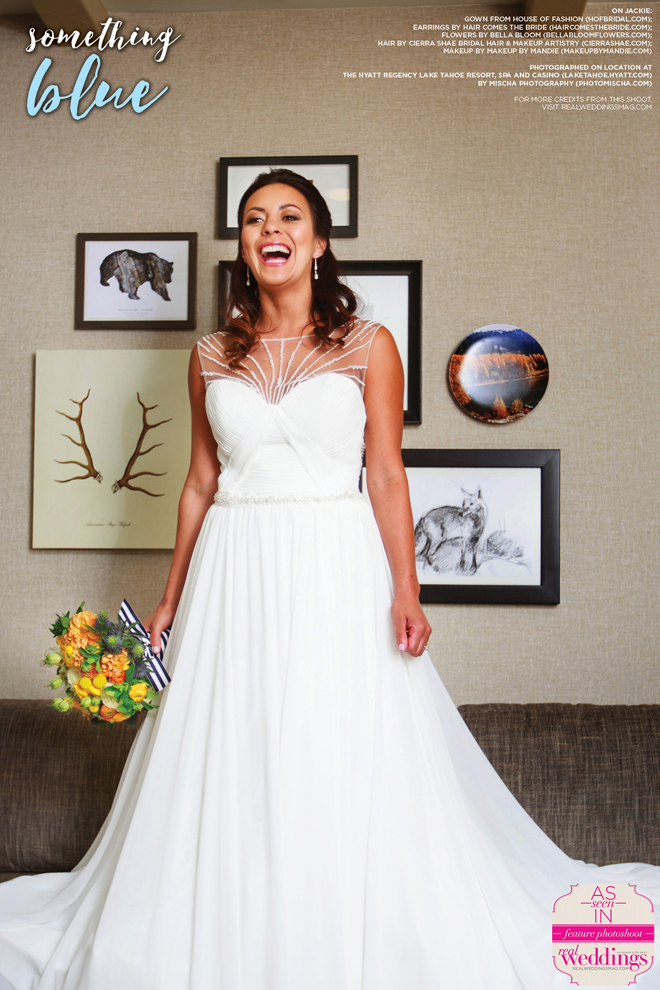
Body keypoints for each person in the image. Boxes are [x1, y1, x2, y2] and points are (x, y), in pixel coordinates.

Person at [0, 169, 658, 990]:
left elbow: (386, 474)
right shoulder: (208, 356)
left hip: (335, 564)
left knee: (334, 739)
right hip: (234, 569)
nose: (269, 228)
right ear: (244, 245)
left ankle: (334, 927)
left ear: (317, 242)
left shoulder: (369, 345)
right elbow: (199, 483)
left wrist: (407, 588)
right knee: (232, 748)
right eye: (253, 218)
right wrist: (169, 599)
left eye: (289, 216)